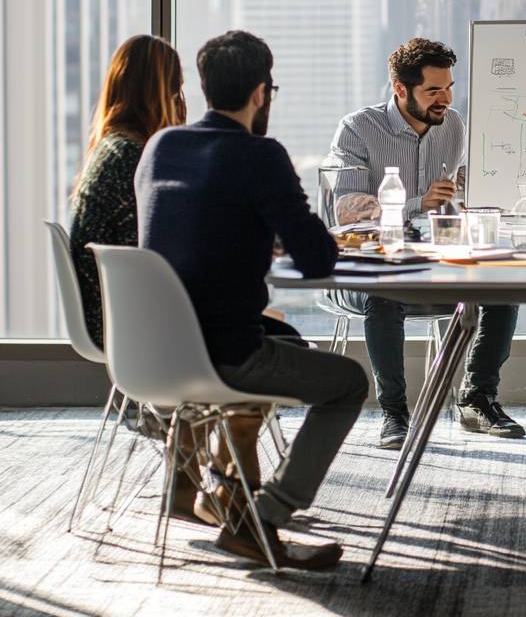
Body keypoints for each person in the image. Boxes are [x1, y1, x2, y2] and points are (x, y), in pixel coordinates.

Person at [136, 30, 369, 570]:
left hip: (153, 355)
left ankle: (192, 485)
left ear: (204, 87)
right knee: (348, 384)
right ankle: (260, 519)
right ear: (262, 91)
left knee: (283, 338)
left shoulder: (160, 146)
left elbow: (193, 228)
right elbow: (317, 260)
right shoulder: (260, 154)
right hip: (226, 354)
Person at [327, 37, 523, 449]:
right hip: (375, 266)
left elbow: (463, 190)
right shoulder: (359, 128)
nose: (445, 100)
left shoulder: (452, 125)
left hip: (438, 260)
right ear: (400, 89)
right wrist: (419, 203)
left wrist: (480, 190)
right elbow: (346, 209)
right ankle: (394, 413)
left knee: (504, 289)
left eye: (450, 87)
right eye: (433, 91)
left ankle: (477, 398)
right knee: (384, 296)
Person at [69, 35, 186, 350]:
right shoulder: (131, 158)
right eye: (176, 90)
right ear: (159, 95)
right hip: (129, 323)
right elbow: (156, 250)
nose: (181, 102)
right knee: (255, 329)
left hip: (111, 314)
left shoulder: (111, 148)